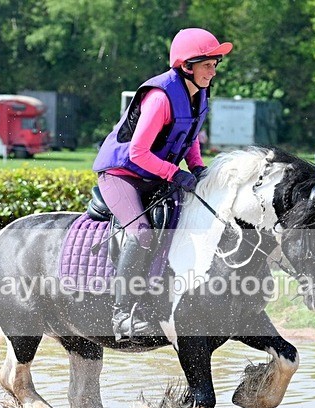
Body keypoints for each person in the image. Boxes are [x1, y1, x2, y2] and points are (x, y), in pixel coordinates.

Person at [92, 28, 233, 339]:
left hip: (152, 174)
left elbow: (191, 136)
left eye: (215, 64)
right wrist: (174, 173)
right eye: (207, 64)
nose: (213, 70)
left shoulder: (199, 92)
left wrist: (196, 167)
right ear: (186, 66)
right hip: (121, 174)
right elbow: (138, 152)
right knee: (141, 235)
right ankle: (122, 315)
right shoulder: (159, 97)